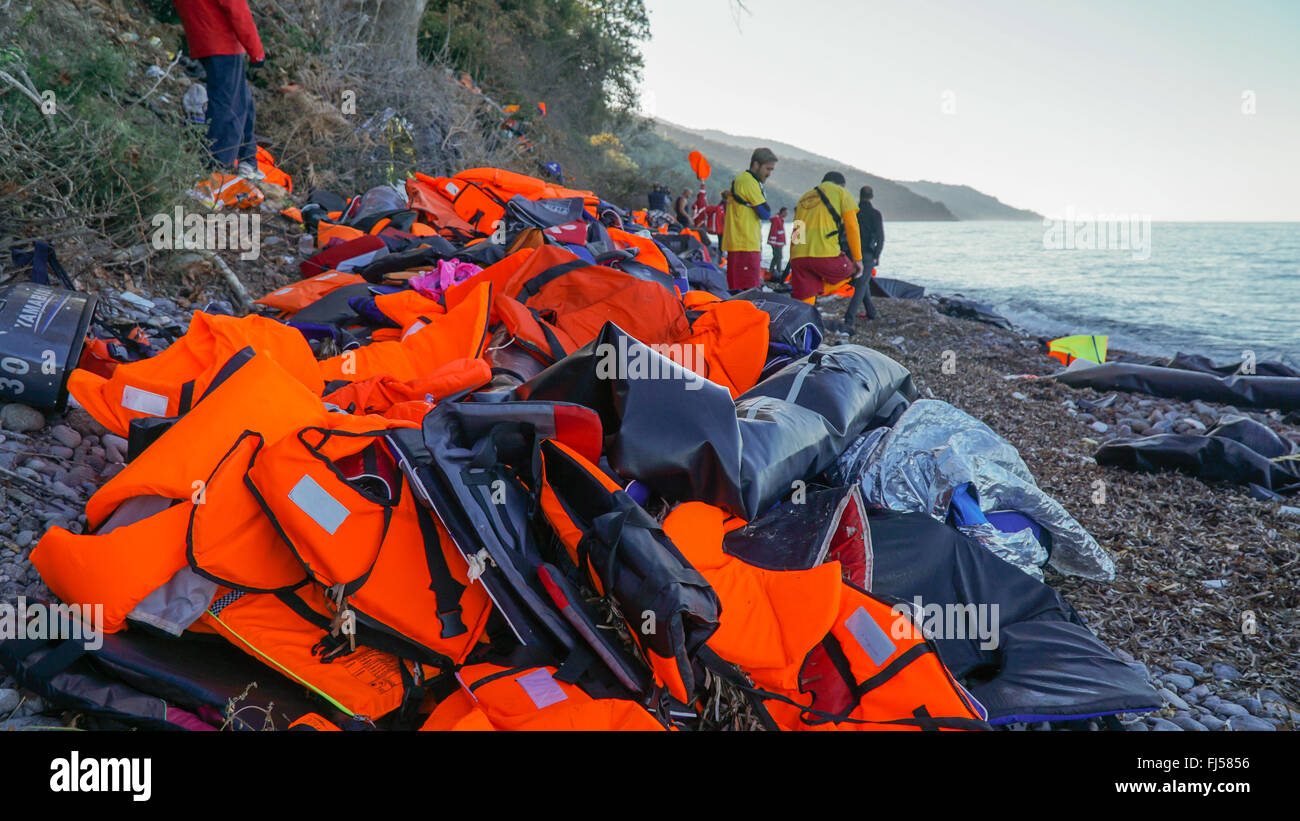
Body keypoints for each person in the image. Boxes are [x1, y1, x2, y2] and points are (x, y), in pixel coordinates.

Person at [174, 0, 266, 179]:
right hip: (222, 42)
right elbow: (237, 10)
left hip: (203, 40)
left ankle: (247, 160)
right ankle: (217, 167)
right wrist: (256, 51)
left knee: (241, 98)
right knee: (229, 106)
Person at [788, 171, 863, 321]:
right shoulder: (841, 192)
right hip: (825, 254)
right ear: (841, 184)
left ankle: (802, 330)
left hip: (798, 255)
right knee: (852, 270)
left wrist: (794, 259)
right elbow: (852, 227)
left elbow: (797, 228)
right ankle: (820, 289)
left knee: (805, 301)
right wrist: (858, 259)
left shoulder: (805, 197)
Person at [722, 147, 777, 290]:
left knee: (740, 288)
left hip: (744, 242)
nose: (769, 173)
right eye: (767, 169)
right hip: (743, 243)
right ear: (756, 164)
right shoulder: (748, 181)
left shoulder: (748, 180)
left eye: (771, 170)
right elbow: (765, 213)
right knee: (747, 290)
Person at [845, 185, 886, 322]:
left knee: (863, 282)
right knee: (861, 285)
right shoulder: (875, 214)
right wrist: (877, 255)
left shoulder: (853, 212)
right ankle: (849, 318)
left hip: (850, 252)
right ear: (872, 196)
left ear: (860, 196)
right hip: (867, 253)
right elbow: (880, 237)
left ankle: (872, 312)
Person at [767, 206, 789, 285]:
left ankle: (777, 271)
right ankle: (772, 270)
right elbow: (774, 231)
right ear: (782, 212)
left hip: (779, 242)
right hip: (776, 243)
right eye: (786, 213)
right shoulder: (777, 219)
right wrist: (773, 242)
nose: (787, 214)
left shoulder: (780, 219)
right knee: (777, 256)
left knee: (778, 257)